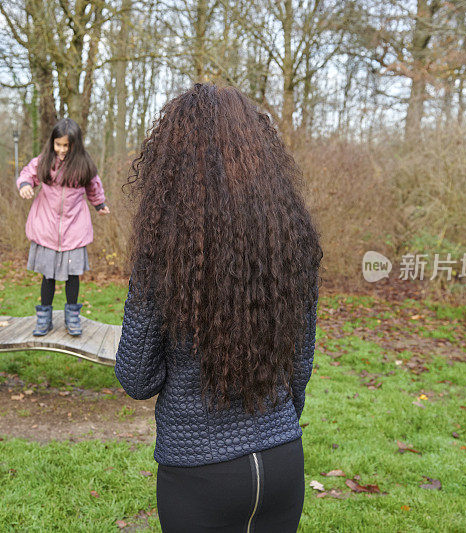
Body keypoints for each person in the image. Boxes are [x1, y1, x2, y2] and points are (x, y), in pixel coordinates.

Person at [115, 84, 323, 532]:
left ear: (171, 166)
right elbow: (299, 370)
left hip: (199, 472)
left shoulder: (165, 250)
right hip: (283, 459)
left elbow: (136, 376)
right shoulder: (292, 240)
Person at [16, 118, 110, 336]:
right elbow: (27, 174)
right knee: (47, 276)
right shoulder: (45, 161)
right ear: (53, 143)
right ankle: (44, 318)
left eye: (66, 145)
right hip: (46, 227)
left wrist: (100, 204)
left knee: (72, 275)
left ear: (75, 145)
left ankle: (72, 318)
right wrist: (25, 186)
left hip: (74, 228)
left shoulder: (84, 165)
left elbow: (94, 188)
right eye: (58, 144)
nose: (61, 150)